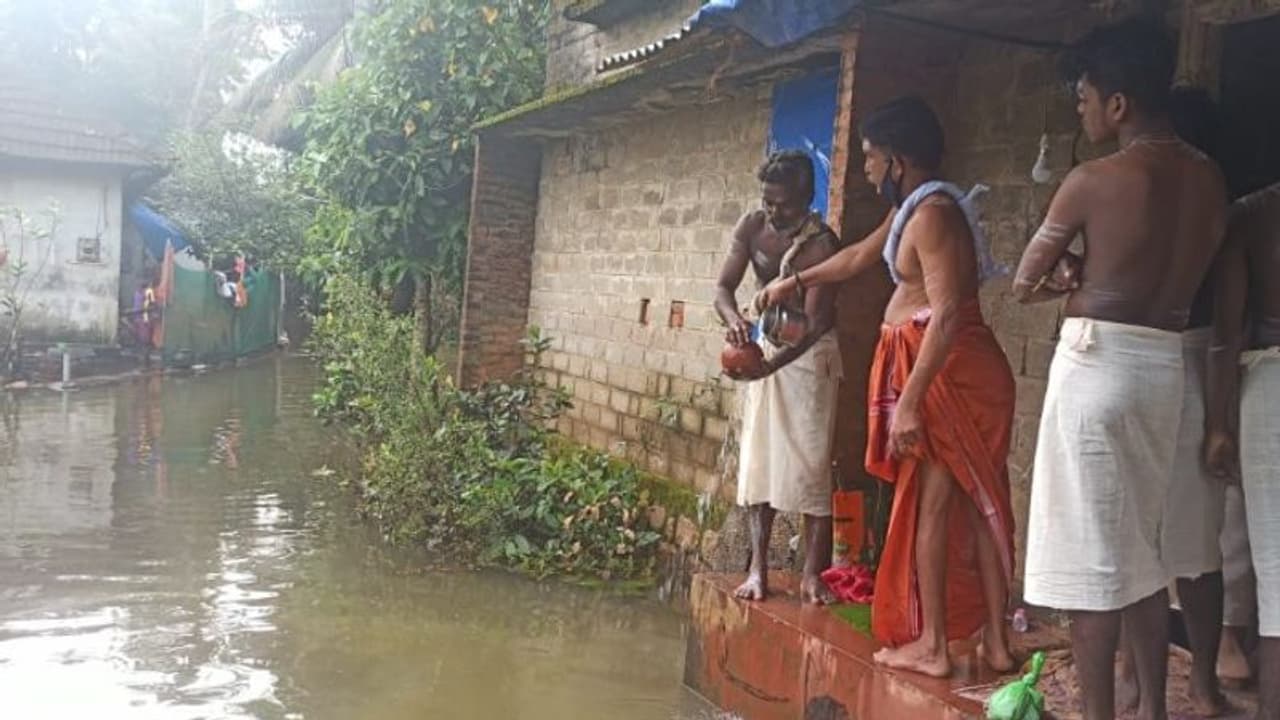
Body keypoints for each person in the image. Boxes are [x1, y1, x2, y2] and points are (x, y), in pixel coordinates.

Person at [761, 96, 1017, 677]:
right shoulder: (912, 209)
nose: (869, 170)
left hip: (954, 377)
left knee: (937, 506)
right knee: (972, 506)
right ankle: (994, 642)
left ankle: (934, 646)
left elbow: (949, 314)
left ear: (898, 160)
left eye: (873, 158)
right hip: (945, 374)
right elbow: (855, 258)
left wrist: (910, 402)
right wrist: (791, 283)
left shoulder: (932, 216)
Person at [1015, 20, 1227, 720]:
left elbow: (1024, 281)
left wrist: (1073, 276)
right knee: (1140, 549)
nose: (1080, 108)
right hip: (1166, 365)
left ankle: (1101, 713)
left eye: (1084, 96)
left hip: (1098, 363)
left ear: (1118, 105)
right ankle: (1155, 712)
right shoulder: (1208, 177)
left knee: (1090, 562)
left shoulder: (1093, 179)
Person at [1112, 85, 1235, 717]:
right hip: (1175, 365)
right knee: (1177, 546)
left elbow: (1220, 334)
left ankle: (1177, 683)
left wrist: (1218, 420)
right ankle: (1168, 680)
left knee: (1171, 543)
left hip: (1178, 365)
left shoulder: (1199, 211)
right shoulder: (1197, 204)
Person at [714, 150, 843, 605]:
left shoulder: (822, 244)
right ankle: (756, 569)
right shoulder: (752, 226)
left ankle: (812, 574)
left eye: (783, 203)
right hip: (766, 349)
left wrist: (770, 366)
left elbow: (815, 324)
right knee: (758, 462)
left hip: (809, 359)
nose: (773, 211)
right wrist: (733, 321)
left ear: (807, 198)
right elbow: (723, 287)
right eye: (767, 201)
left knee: (810, 461)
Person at [1205, 178, 1280, 720]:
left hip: (1269, 381)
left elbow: (1226, 333)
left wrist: (1217, 421)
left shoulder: (1254, 213)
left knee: (1275, 571)